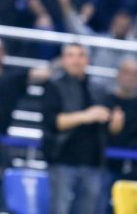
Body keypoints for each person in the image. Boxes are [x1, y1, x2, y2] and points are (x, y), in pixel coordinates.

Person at [41, 43, 117, 214]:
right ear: (63, 60)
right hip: (63, 160)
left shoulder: (97, 89)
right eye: (71, 55)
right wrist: (86, 116)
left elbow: (111, 128)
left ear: (87, 60)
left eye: (80, 55)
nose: (76, 60)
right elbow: (54, 122)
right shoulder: (54, 86)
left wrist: (116, 121)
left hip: (93, 163)